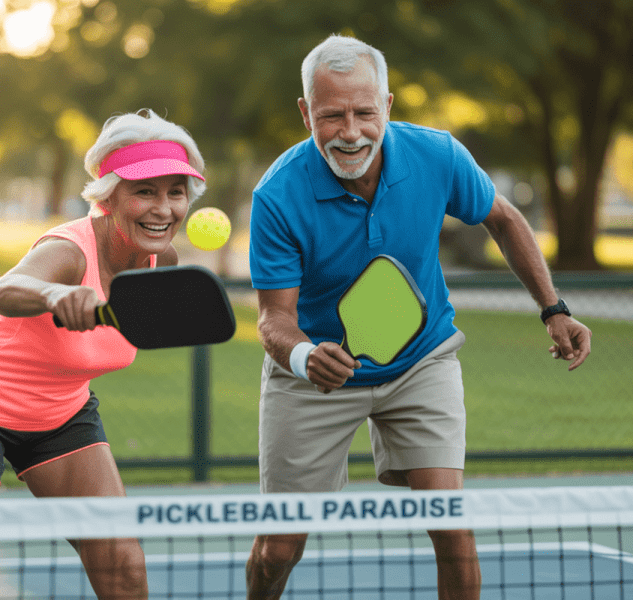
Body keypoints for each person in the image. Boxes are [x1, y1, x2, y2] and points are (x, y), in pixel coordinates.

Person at [244, 36, 592, 600]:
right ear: (307, 113)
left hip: (420, 361)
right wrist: (308, 356)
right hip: (312, 374)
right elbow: (273, 320)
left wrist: (553, 309)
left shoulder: (438, 155)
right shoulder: (278, 194)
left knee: (453, 531)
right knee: (278, 548)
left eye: (363, 112)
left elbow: (502, 218)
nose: (350, 131)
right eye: (332, 116)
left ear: (387, 105)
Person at [0, 109, 207, 600]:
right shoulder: (70, 250)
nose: (163, 209)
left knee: (124, 568)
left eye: (175, 192)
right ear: (109, 197)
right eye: (145, 191)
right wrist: (56, 296)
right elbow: (4, 289)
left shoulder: (164, 260)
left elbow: (151, 325)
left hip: (60, 416)